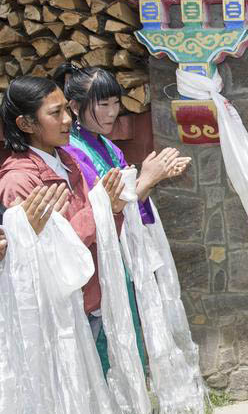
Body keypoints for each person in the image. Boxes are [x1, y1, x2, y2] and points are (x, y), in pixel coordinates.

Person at [54, 63, 190, 374]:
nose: (112, 112)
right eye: (103, 104)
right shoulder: (73, 153)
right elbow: (105, 208)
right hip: (94, 260)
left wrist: (152, 179)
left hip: (118, 255)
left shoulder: (108, 147)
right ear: (74, 107)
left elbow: (128, 204)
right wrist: (148, 179)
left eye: (116, 103)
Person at [0, 76, 126, 345]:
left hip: (92, 296)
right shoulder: (19, 181)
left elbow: (100, 233)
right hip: (61, 314)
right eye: (55, 113)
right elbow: (46, 258)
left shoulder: (67, 160)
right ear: (26, 124)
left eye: (66, 109)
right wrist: (99, 208)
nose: (68, 119)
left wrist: (113, 211)